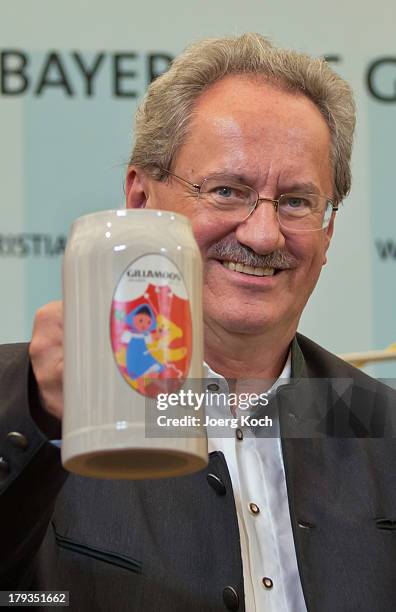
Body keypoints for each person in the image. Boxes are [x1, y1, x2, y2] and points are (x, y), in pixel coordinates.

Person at [1, 33, 396, 612]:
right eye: (227, 191)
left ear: (329, 228)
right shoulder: (34, 402)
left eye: (295, 202)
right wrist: (37, 413)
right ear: (141, 197)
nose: (263, 235)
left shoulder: (375, 421)